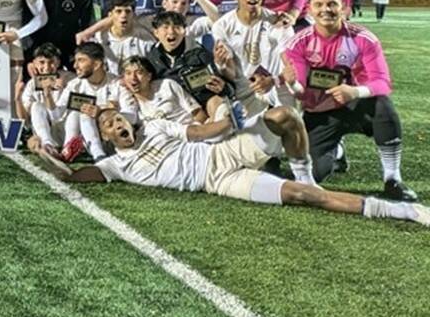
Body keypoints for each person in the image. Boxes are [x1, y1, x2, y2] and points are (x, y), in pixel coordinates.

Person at [31, 109, 429, 229]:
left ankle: (304, 171)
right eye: (107, 126)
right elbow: (68, 175)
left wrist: (231, 120)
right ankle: (405, 211)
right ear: (106, 137)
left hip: (222, 152)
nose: (116, 125)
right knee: (301, 197)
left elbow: (204, 130)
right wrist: (39, 151)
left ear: (128, 122)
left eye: (118, 119)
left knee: (285, 117)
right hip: (220, 181)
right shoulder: (114, 166)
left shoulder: (155, 126)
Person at [281, 0, 415, 200]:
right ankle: (337, 152)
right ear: (309, 9)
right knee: (315, 173)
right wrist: (292, 84)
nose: (326, 9)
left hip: (357, 104)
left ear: (343, 7)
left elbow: (382, 82)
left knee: (382, 105)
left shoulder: (363, 37)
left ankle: (393, 179)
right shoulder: (298, 43)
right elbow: (301, 89)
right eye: (319, 4)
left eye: (332, 4)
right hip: (321, 112)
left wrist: (355, 91)